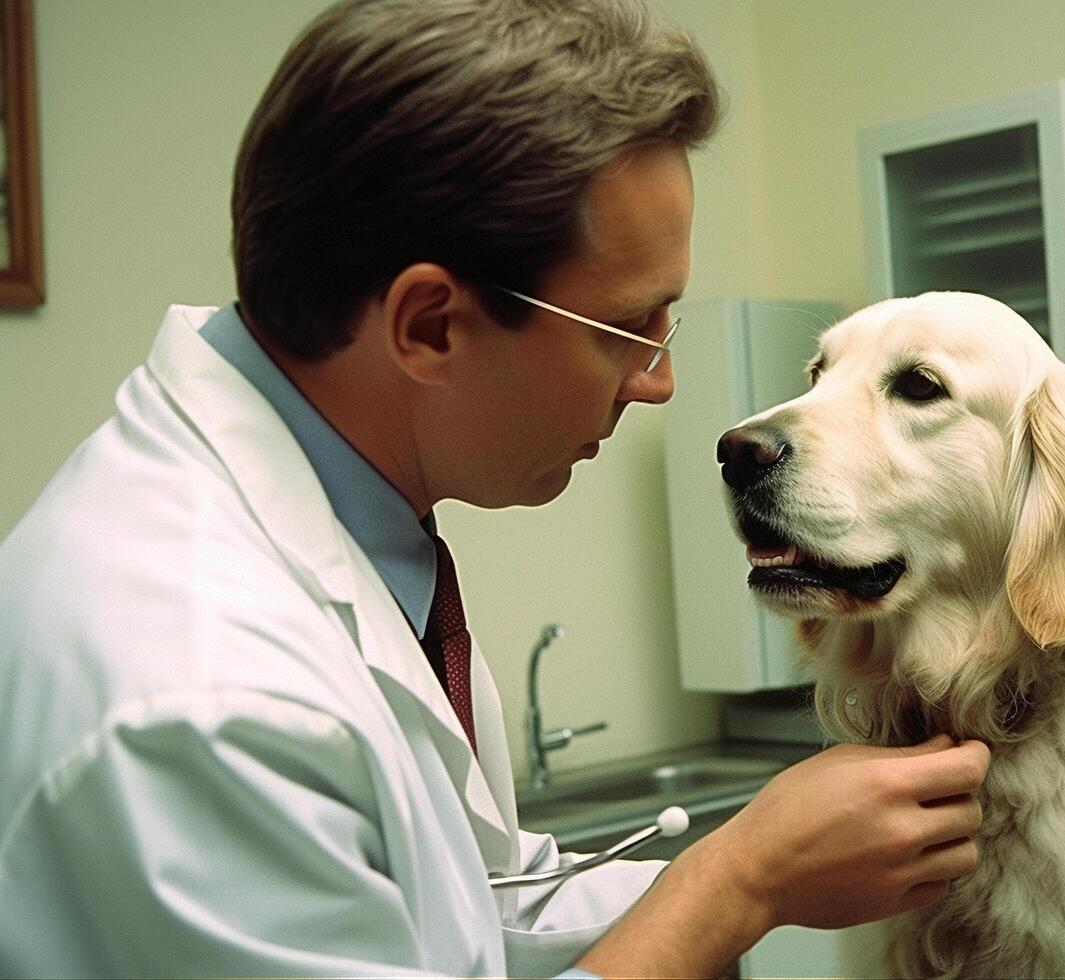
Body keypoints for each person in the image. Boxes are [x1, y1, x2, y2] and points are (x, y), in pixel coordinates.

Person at [0, 0, 990, 976]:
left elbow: (471, 918)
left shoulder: (358, 536)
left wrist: (747, 865)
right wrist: (738, 884)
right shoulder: (196, 694)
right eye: (628, 327)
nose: (659, 380)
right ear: (429, 323)